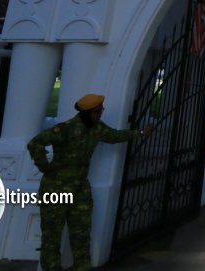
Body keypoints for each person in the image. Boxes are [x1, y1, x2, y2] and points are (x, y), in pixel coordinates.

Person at [26, 94, 146, 271]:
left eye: (101, 110)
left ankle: (82, 267)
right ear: (87, 113)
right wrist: (44, 165)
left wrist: (140, 133)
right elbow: (35, 143)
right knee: (52, 237)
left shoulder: (96, 128)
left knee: (81, 233)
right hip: (56, 189)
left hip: (80, 188)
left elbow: (114, 136)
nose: (100, 114)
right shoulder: (65, 129)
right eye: (97, 111)